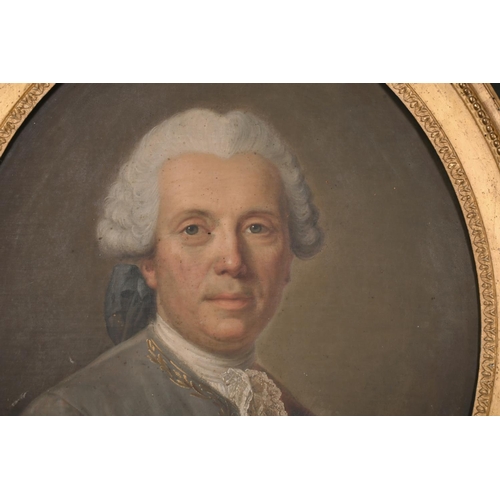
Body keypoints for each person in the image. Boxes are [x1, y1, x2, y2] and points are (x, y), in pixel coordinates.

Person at [23, 109, 323, 416]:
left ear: (288, 255)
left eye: (256, 228)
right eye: (192, 229)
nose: (233, 261)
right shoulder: (72, 413)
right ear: (149, 262)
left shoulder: (290, 413)